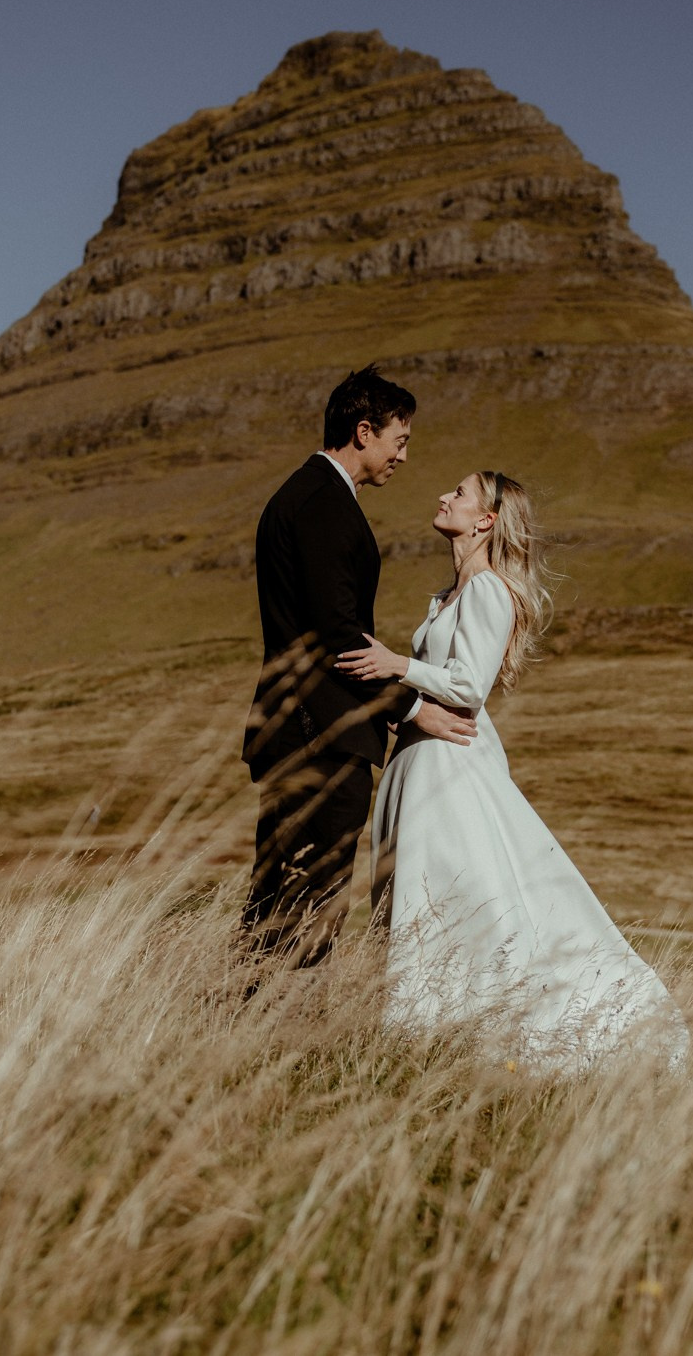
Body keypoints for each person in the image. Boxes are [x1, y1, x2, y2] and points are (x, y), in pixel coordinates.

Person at [340, 472, 687, 1069]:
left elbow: (469, 687)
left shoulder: (488, 591)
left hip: (449, 765)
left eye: (461, 493)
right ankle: (422, 1032)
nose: (444, 495)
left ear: (486, 521)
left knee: (457, 889)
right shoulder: (450, 593)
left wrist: (396, 665)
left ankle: (472, 1028)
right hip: (419, 759)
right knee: (421, 896)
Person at [240, 365, 477, 970]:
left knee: (282, 899)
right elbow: (338, 639)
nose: (403, 457)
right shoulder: (321, 504)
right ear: (364, 431)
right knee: (307, 900)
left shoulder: (312, 495)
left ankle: (249, 1031)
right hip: (318, 733)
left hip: (305, 730)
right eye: (399, 440)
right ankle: (278, 1038)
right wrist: (415, 708)